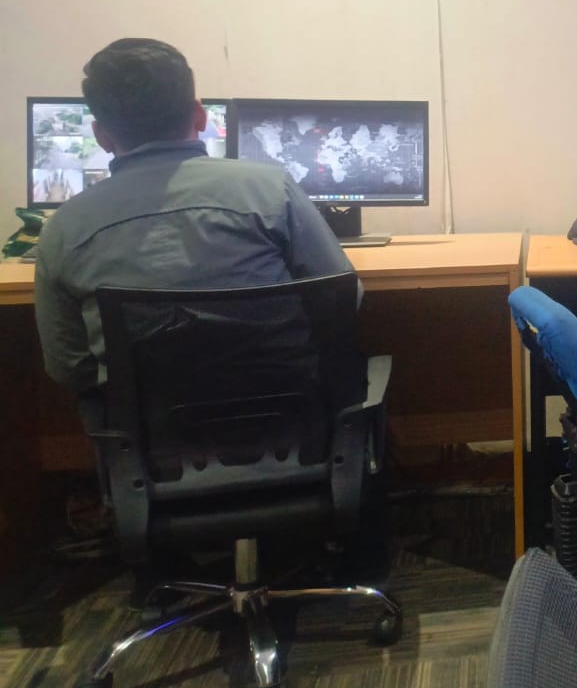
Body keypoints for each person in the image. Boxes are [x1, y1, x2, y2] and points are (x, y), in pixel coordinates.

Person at [33, 38, 355, 430]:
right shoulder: (271, 189)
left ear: (101, 136)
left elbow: (68, 367)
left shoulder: (64, 229)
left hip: (150, 445)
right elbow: (344, 298)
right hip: (290, 428)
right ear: (200, 115)